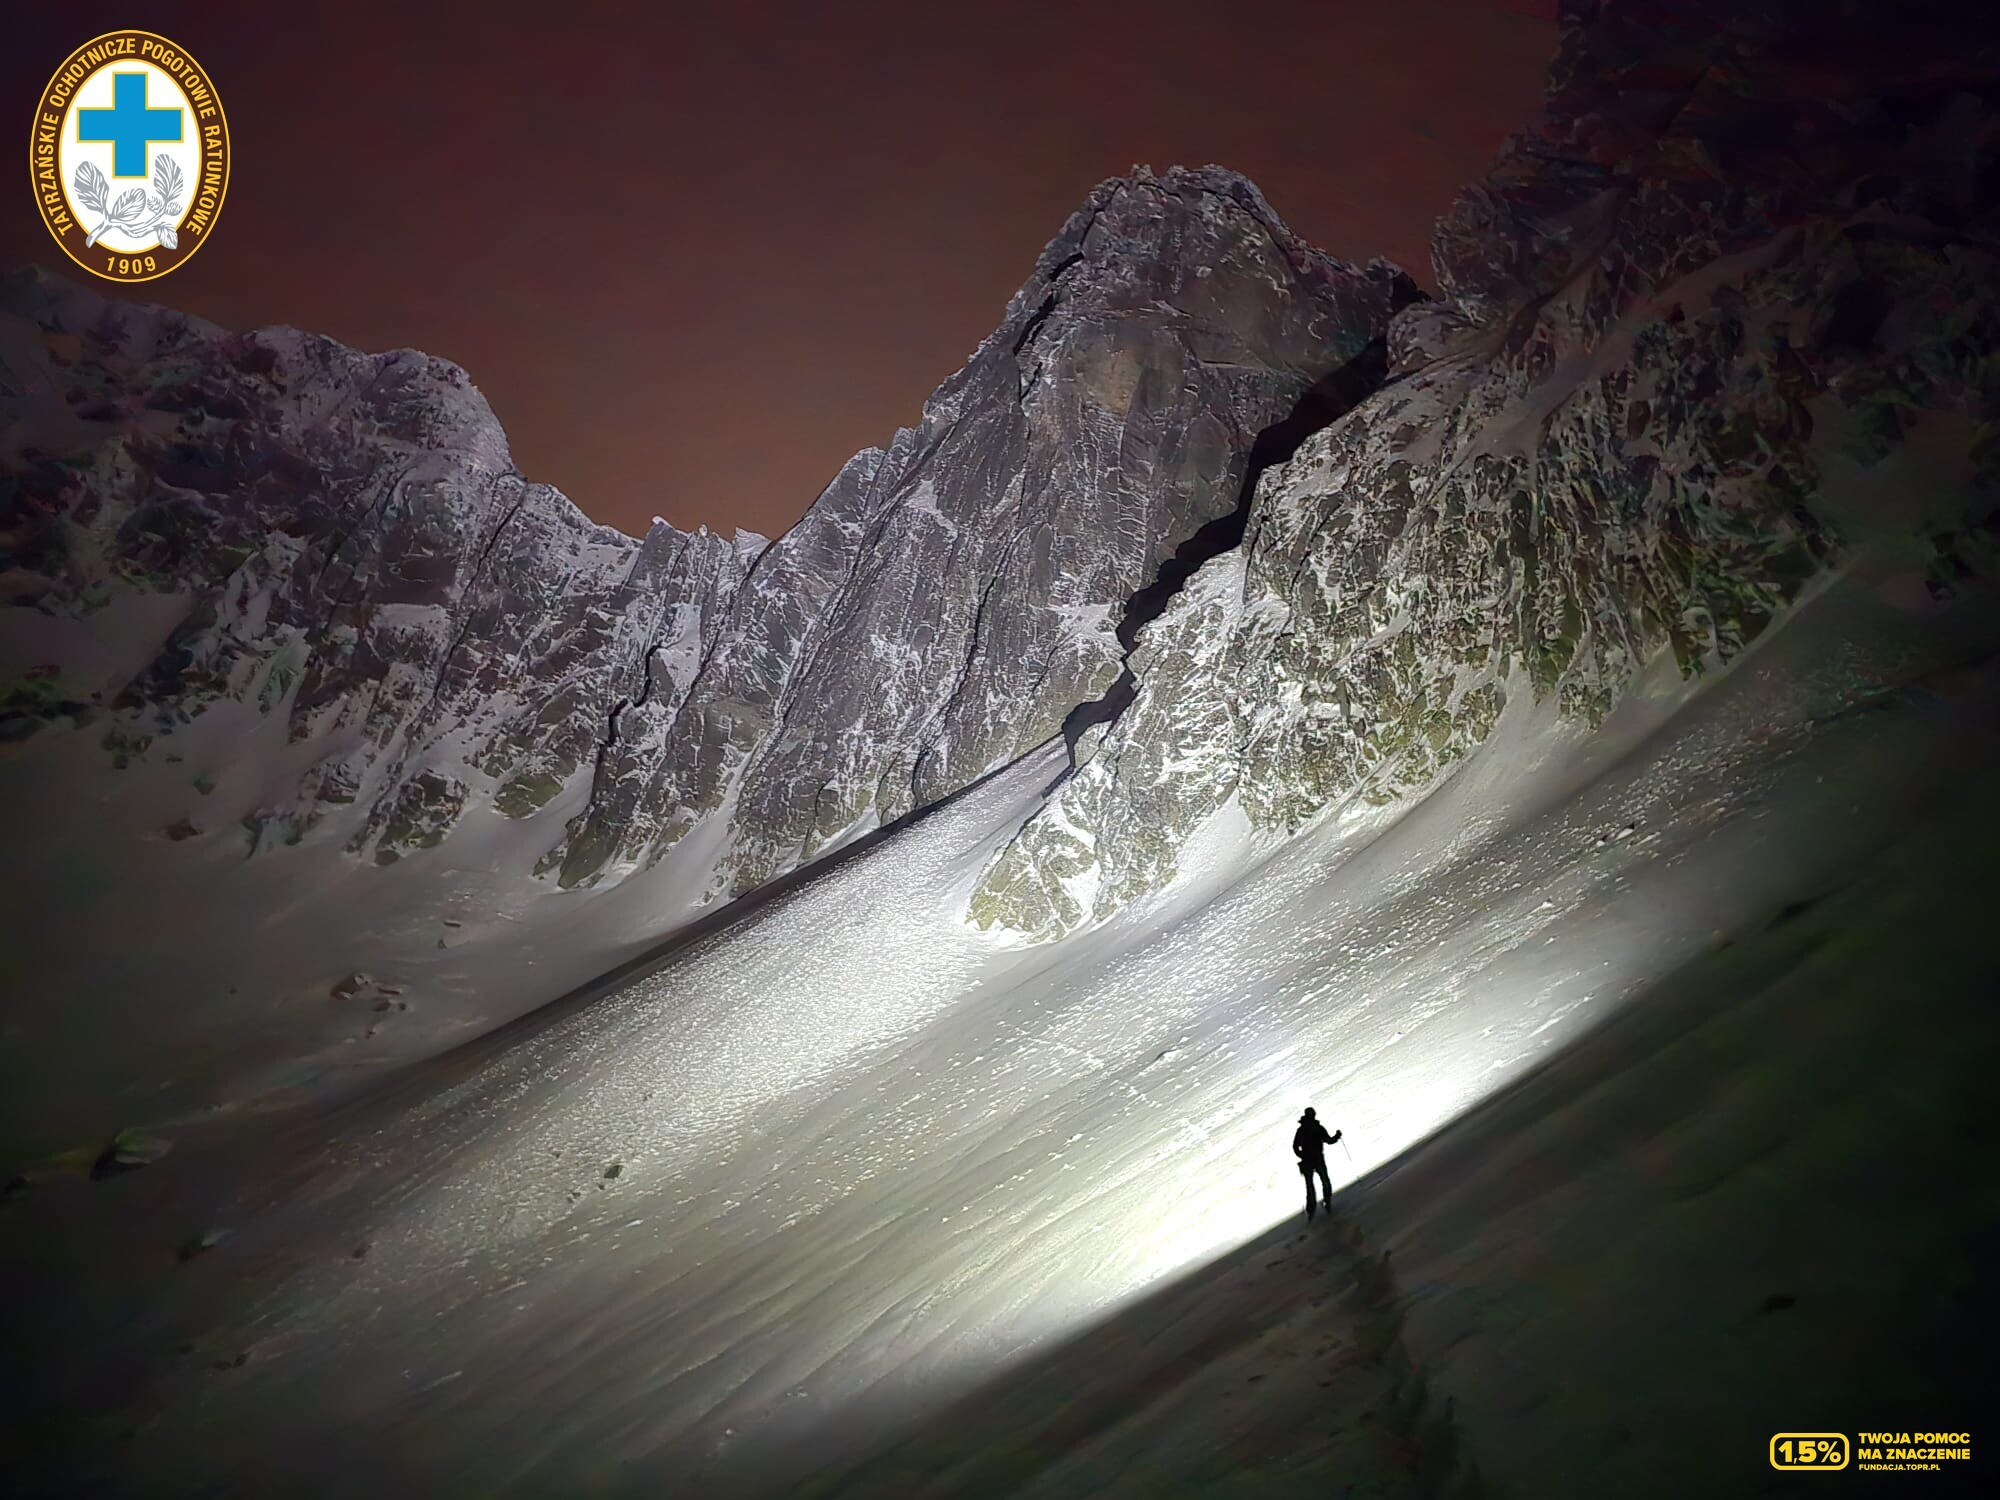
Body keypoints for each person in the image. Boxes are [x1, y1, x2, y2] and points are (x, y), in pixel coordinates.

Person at [1292, 1106, 1342, 1221]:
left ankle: (1311, 1213)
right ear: (1313, 1115)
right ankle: (1327, 1204)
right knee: (1325, 1181)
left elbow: (1295, 1147)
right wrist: (1337, 1136)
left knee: (1310, 1187)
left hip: (1307, 1162)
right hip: (1318, 1159)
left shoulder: (1301, 1130)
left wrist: (1302, 1156)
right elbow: (1329, 1141)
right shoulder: (1318, 1128)